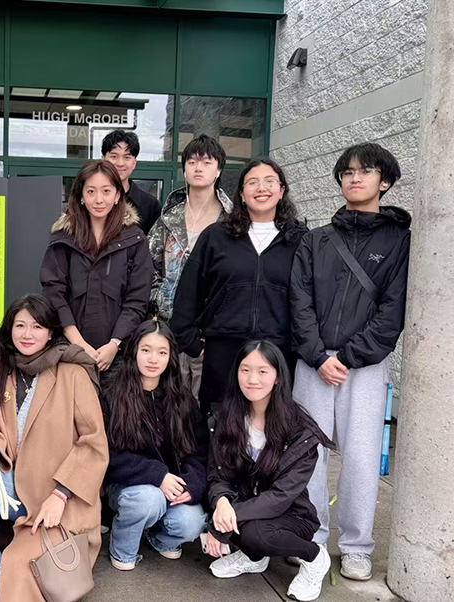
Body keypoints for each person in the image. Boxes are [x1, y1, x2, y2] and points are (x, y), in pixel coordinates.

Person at [290, 143, 408, 582]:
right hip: (313, 362)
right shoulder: (315, 239)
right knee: (307, 455)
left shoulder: (400, 241)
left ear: (385, 181)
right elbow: (298, 302)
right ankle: (312, 538)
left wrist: (350, 356)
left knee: (359, 457)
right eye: (347, 173)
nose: (355, 178)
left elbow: (392, 310)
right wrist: (319, 355)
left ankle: (357, 546)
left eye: (366, 171)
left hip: (365, 367)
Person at [0, 294, 108, 602]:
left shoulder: (72, 374)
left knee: (25, 568)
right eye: (20, 325)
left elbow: (93, 442)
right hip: (14, 485)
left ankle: (2, 566)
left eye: (36, 326)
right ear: (8, 331)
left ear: (50, 332)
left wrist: (61, 494)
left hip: (58, 493)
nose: (27, 334)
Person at [170, 158, 307, 417]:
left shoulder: (301, 240)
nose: (261, 188)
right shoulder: (216, 236)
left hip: (278, 352)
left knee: (273, 427)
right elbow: (188, 293)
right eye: (252, 182)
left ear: (281, 191)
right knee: (219, 428)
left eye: (269, 182)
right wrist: (192, 344)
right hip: (223, 353)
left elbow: (310, 299)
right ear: (242, 194)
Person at [205, 340, 335, 601]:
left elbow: (280, 498)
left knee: (255, 534)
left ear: (277, 377)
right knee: (214, 511)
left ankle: (315, 557)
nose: (252, 379)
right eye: (245, 370)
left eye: (263, 371)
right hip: (246, 505)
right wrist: (221, 501)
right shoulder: (226, 417)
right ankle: (255, 559)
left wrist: (221, 523)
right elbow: (218, 475)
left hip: (292, 516)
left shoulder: (300, 431)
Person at [101, 320, 208, 570]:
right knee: (148, 500)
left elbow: (199, 452)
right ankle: (123, 550)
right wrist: (157, 475)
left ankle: (159, 538)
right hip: (129, 487)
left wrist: (191, 485)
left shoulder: (182, 399)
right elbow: (106, 455)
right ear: (134, 352)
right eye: (146, 350)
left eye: (162, 352)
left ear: (170, 357)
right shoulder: (111, 395)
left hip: (171, 486)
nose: (153, 359)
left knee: (191, 522)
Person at [40, 159, 154, 372]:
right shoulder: (63, 239)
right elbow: (53, 294)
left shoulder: (134, 240)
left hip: (118, 355)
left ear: (117, 195)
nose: (99, 199)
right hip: (69, 351)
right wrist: (78, 343)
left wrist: (114, 344)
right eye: (91, 191)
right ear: (81, 196)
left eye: (106, 191)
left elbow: (137, 300)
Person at [149, 135, 233, 399]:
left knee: (204, 405)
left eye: (207, 162)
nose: (199, 168)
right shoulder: (168, 218)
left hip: (210, 330)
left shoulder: (232, 220)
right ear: (184, 168)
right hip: (168, 326)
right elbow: (148, 268)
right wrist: (157, 306)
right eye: (192, 161)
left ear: (218, 169)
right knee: (167, 402)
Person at [101, 130, 160, 234]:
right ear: (103, 160)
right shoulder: (90, 200)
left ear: (134, 163)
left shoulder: (151, 206)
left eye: (127, 157)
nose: (120, 163)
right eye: (114, 156)